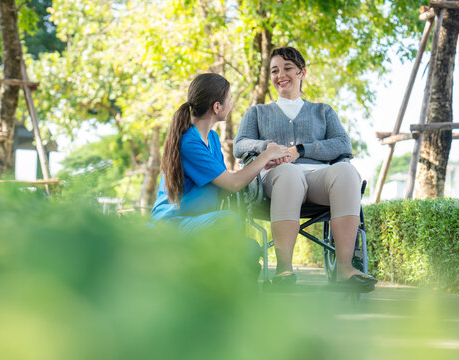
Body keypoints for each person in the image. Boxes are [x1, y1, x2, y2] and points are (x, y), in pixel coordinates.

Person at [233, 46, 377, 290]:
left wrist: (301, 149)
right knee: (289, 173)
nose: (281, 75)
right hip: (276, 179)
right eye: (275, 70)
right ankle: (284, 270)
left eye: (288, 68)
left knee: (347, 172)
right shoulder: (257, 112)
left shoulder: (323, 111)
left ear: (302, 73)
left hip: (318, 177)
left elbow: (343, 145)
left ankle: (345, 269)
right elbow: (240, 145)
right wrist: (266, 146)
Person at [151, 73, 289, 276]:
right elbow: (233, 183)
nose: (231, 104)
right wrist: (265, 155)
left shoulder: (213, 139)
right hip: (174, 224)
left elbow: (223, 183)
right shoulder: (189, 142)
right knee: (229, 221)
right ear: (217, 107)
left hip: (200, 224)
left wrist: (265, 166)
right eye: (230, 99)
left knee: (250, 249)